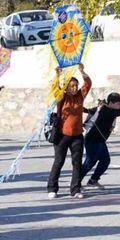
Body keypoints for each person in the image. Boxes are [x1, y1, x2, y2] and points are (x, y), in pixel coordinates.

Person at [47, 64, 91, 199]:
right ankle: (52, 188)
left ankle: (75, 189)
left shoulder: (80, 96)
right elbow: (54, 88)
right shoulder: (62, 97)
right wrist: (58, 75)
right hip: (62, 135)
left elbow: (88, 83)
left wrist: (82, 71)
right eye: (72, 86)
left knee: (77, 163)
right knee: (59, 161)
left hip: (77, 135)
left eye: (76, 85)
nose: (75, 88)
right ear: (66, 87)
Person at [79, 90, 120, 190]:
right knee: (90, 161)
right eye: (118, 104)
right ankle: (77, 181)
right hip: (93, 140)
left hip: (101, 141)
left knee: (105, 160)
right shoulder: (107, 110)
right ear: (111, 103)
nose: (119, 105)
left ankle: (93, 180)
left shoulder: (107, 108)